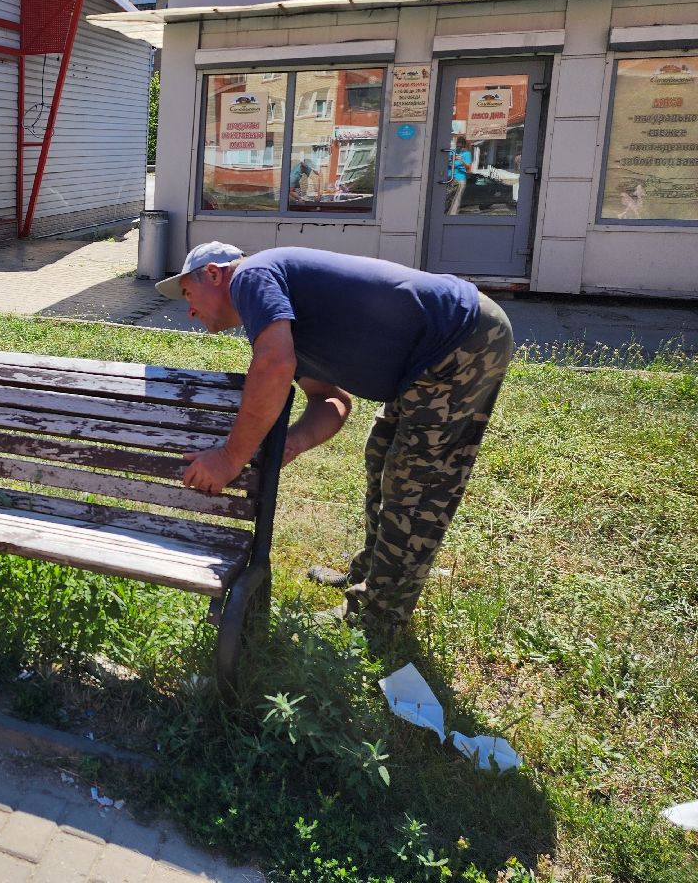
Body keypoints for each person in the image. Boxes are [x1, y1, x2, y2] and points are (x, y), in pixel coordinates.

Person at [156, 242, 513, 631]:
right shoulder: (279, 314)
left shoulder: (250, 276)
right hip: (433, 351)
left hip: (461, 337)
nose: (189, 310)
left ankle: (377, 618)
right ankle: (371, 575)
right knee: (382, 454)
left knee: (415, 482)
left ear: (213, 273)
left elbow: (274, 364)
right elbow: (330, 399)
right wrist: (292, 442)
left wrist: (228, 458)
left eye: (188, 294)